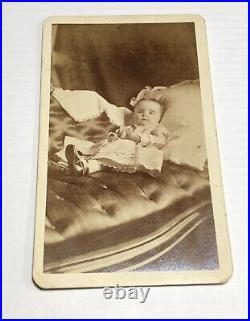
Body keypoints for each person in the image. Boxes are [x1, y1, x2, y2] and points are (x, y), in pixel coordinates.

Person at [65, 98, 170, 177]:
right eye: (140, 111)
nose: (144, 115)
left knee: (110, 157)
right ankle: (80, 165)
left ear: (159, 118)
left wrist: (140, 138)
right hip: (118, 151)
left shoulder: (156, 128)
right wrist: (113, 136)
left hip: (138, 153)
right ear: (133, 115)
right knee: (103, 155)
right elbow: (118, 135)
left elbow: (161, 141)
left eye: (151, 113)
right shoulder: (128, 127)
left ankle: (83, 163)